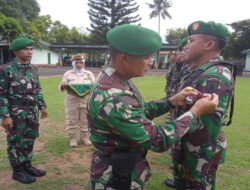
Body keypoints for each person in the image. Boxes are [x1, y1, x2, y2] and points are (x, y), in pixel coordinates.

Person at [87, 24, 219, 190]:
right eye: (146, 57)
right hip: (117, 177)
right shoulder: (114, 96)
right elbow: (157, 140)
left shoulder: (115, 80)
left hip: (121, 167)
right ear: (124, 58)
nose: (151, 63)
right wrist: (195, 112)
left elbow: (138, 113)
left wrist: (171, 101)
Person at [167, 21, 235, 189]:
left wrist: (196, 170)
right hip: (185, 148)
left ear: (209, 44)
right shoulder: (201, 71)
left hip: (197, 156)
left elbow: (205, 130)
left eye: (191, 41)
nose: (186, 45)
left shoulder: (214, 76)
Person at [0, 38, 48, 184]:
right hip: (15, 112)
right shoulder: (6, 70)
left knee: (29, 138)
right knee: (15, 141)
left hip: (31, 111)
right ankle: (18, 170)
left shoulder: (33, 69)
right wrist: (4, 116)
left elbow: (37, 89)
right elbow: (0, 94)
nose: (30, 52)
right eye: (26, 49)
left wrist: (42, 106)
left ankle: (27, 165)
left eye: (31, 49)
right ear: (15, 51)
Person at [59, 54, 95, 147]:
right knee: (71, 119)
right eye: (77, 63)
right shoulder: (68, 74)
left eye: (81, 63)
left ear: (84, 63)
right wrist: (62, 86)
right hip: (71, 100)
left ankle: (85, 138)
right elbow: (62, 85)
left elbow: (94, 86)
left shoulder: (89, 74)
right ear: (73, 63)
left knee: (85, 119)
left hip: (85, 100)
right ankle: (72, 139)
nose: (79, 65)